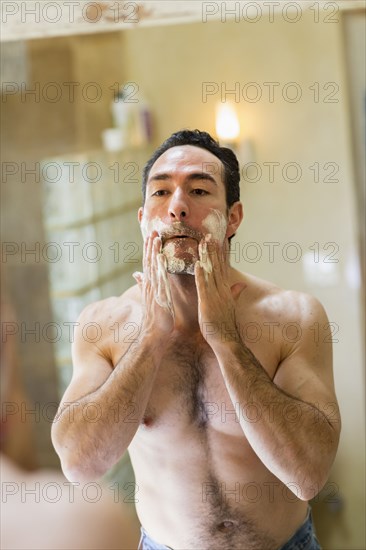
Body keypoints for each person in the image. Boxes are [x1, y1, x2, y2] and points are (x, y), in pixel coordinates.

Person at [52, 129, 341, 550]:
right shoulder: (104, 325)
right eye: (161, 192)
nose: (178, 208)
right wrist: (151, 338)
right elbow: (79, 464)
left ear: (234, 218)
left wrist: (227, 340)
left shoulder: (293, 317)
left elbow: (308, 475)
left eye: (199, 189)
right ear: (142, 218)